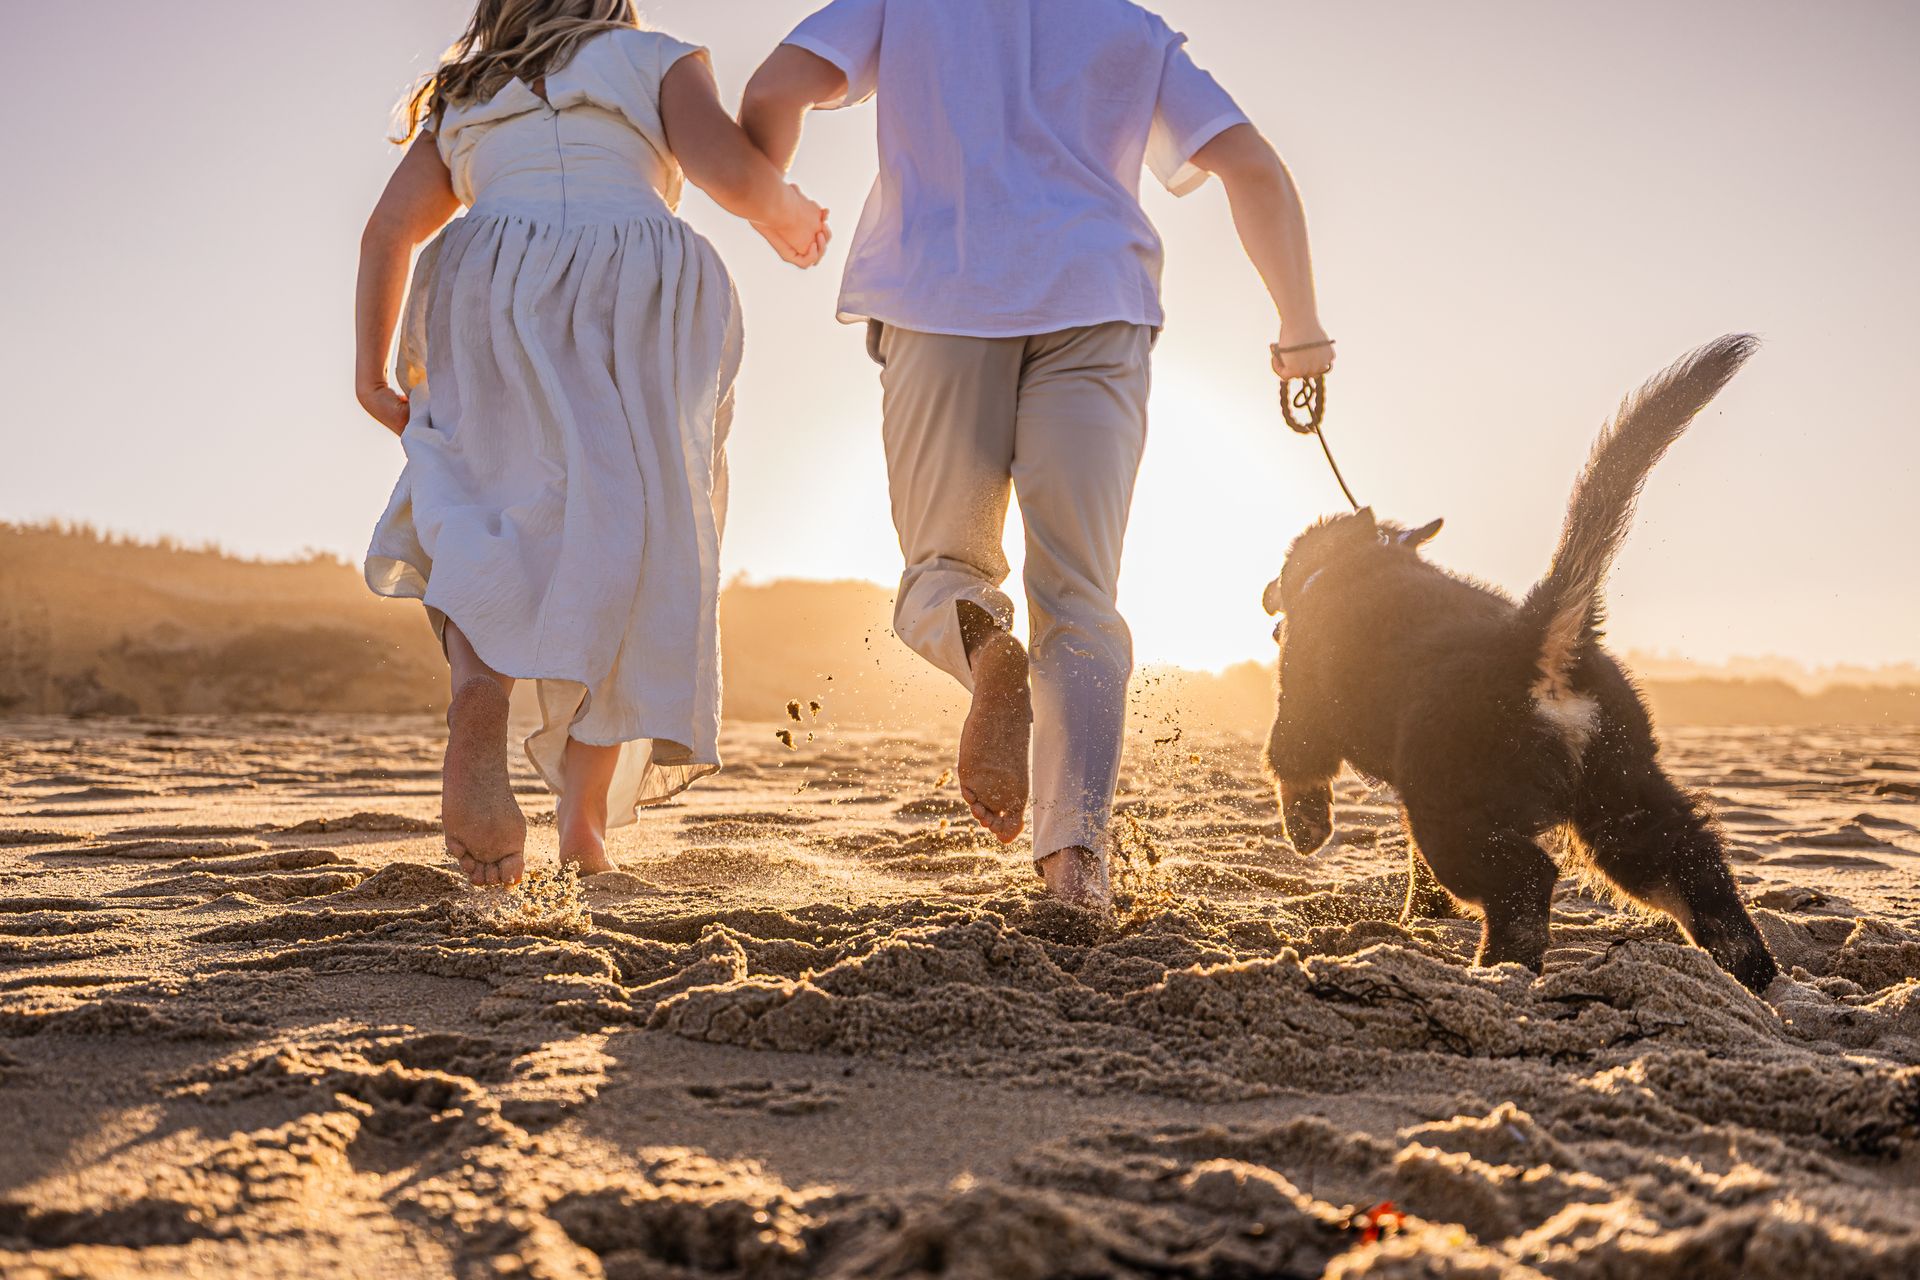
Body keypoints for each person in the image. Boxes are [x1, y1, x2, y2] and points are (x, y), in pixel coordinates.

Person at [740, 0, 1334, 904]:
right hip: (1097, 305)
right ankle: (1075, 865)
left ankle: (987, 659)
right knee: (1083, 601)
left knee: (942, 567)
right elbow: (1250, 167)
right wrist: (1300, 331)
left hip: (939, 301)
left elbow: (775, 90)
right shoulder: (1130, 29)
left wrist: (775, 204)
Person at [354, 0, 830, 887]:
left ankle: (478, 694)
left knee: (487, 508)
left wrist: (370, 371)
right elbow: (726, 169)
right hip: (637, 290)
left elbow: (389, 230)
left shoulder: (467, 88)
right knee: (631, 538)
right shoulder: (652, 58)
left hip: (488, 281)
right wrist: (787, 213)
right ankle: (583, 829)